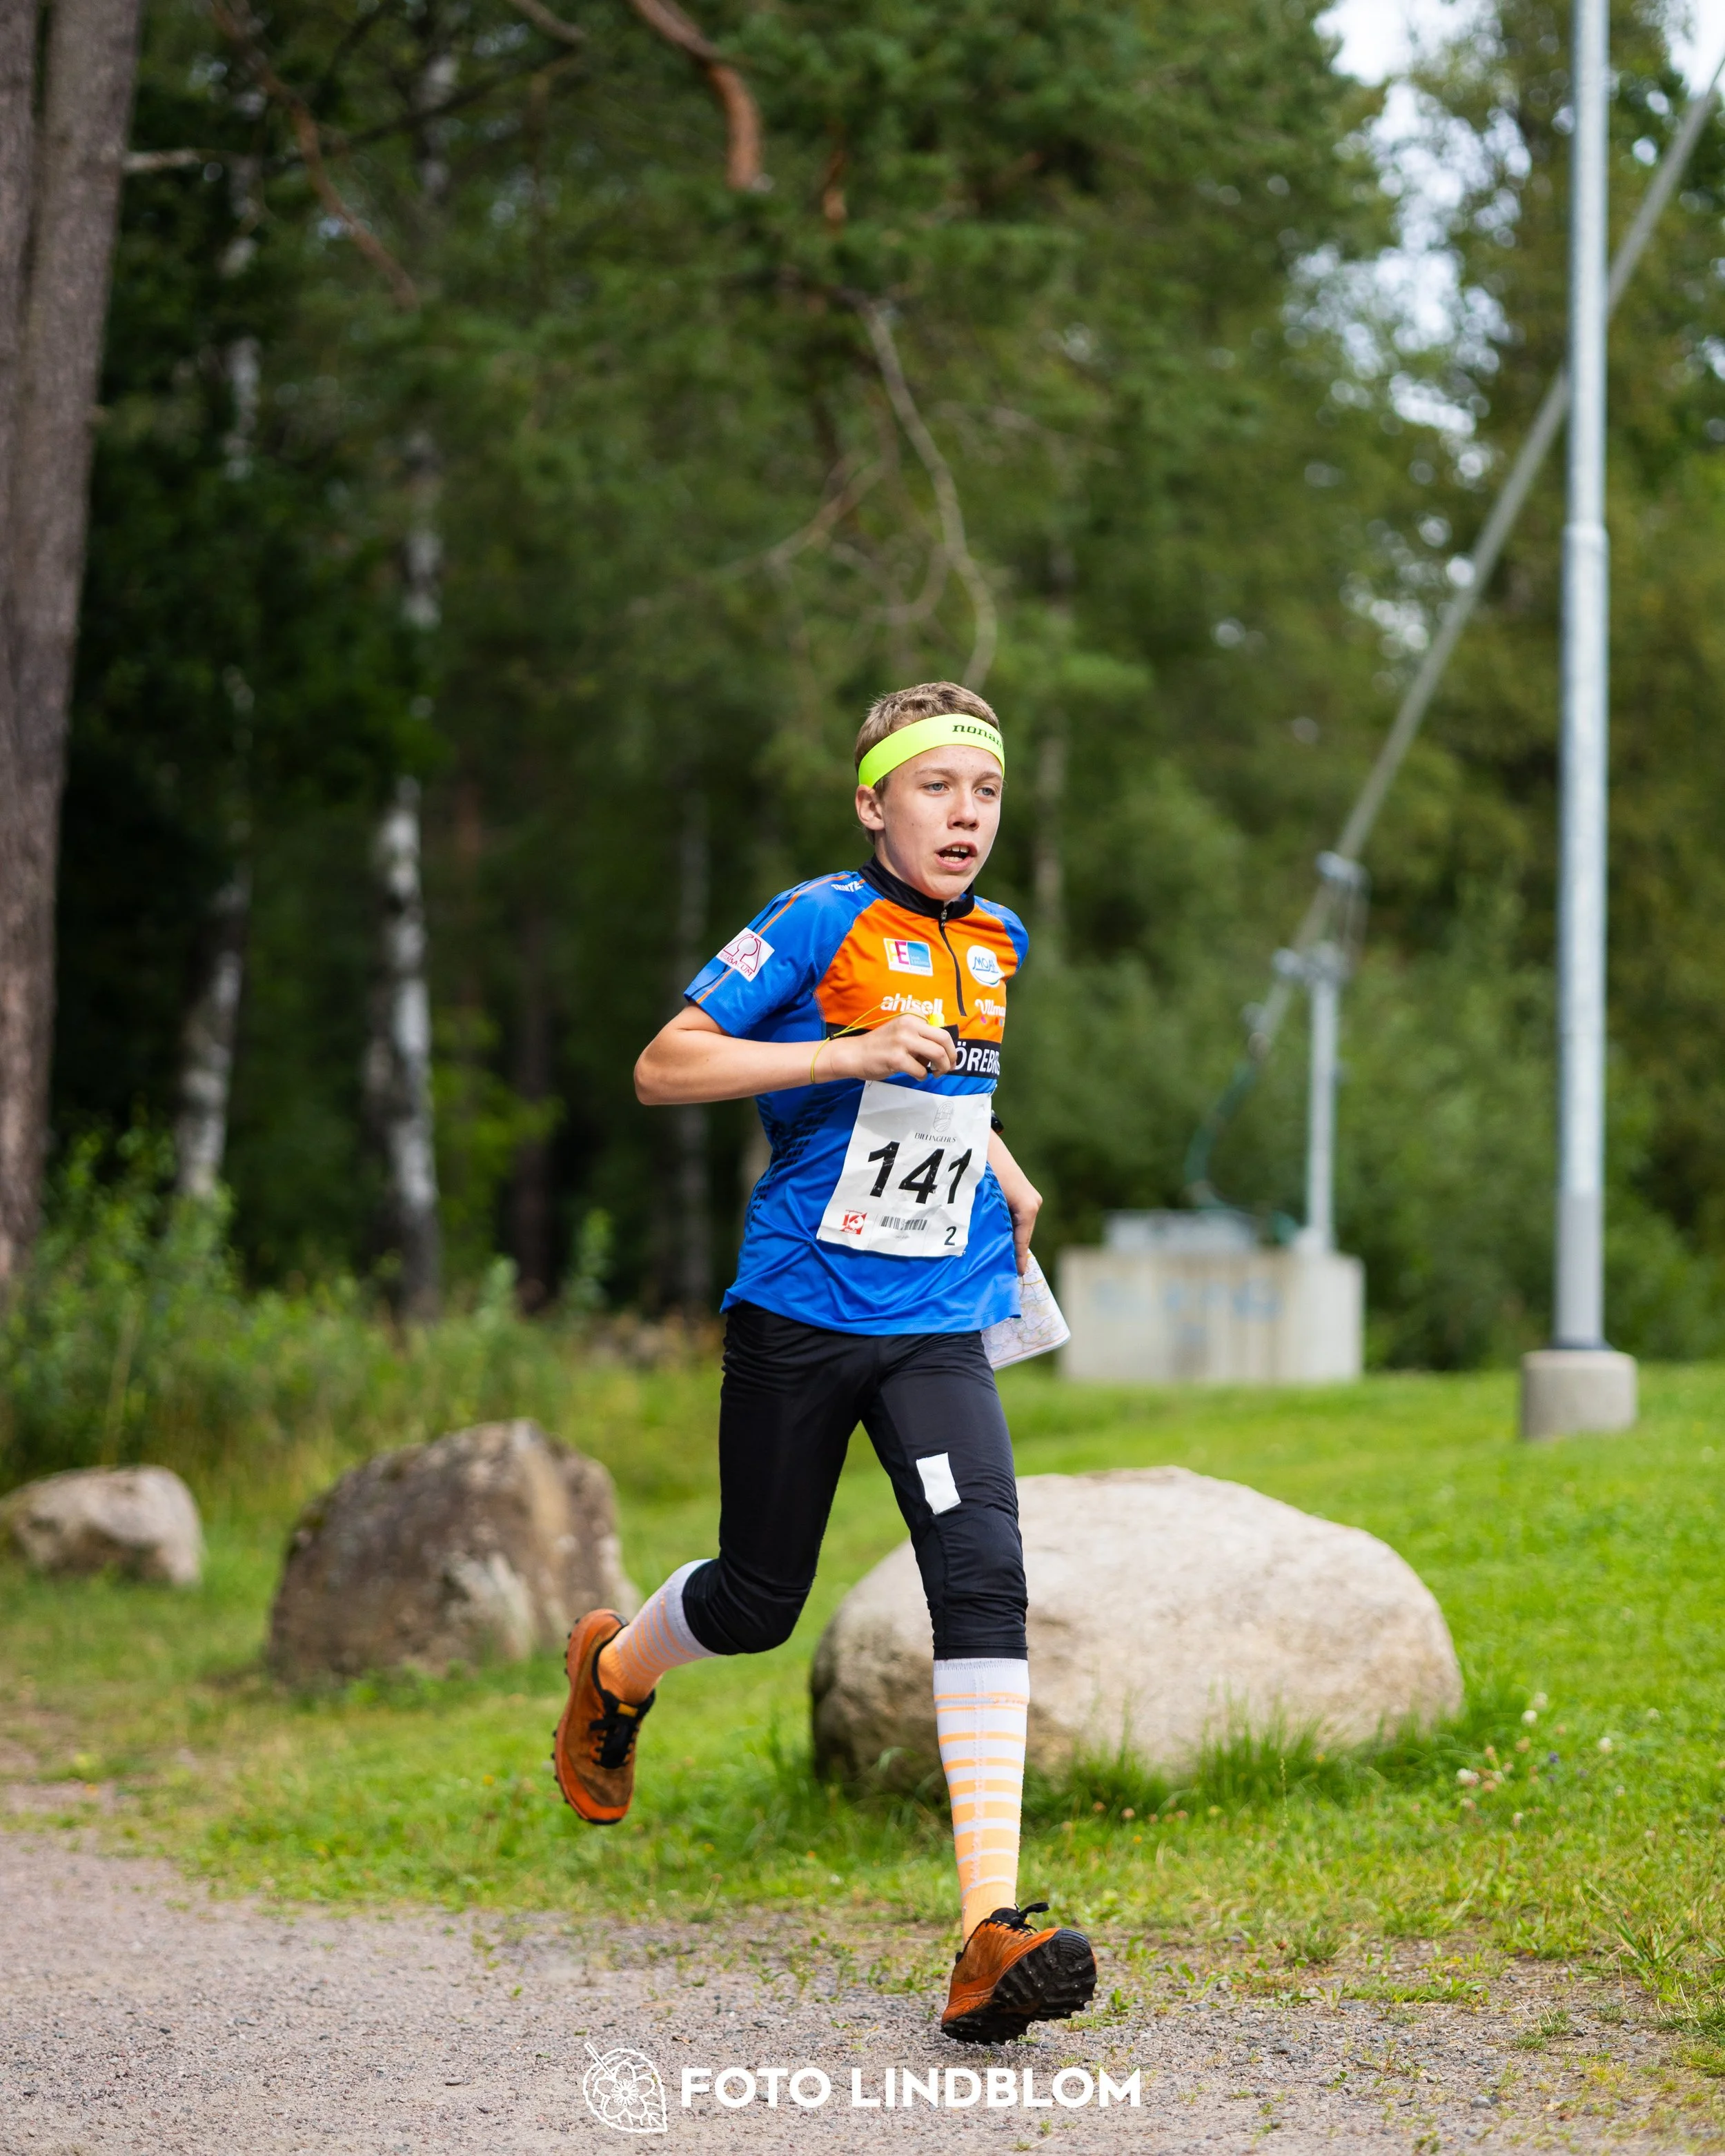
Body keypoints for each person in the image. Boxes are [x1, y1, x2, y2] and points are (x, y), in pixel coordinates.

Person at [551, 681, 1096, 2044]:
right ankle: (617, 1672)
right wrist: (840, 1048)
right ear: (872, 802)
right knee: (756, 1595)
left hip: (935, 1314)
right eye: (934, 787)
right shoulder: (812, 917)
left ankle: (988, 1930)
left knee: (981, 1570)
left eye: (984, 789)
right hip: (803, 1305)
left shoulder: (1000, 939)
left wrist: (1003, 1166)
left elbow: (950, 1085)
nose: (964, 813)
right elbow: (662, 1067)